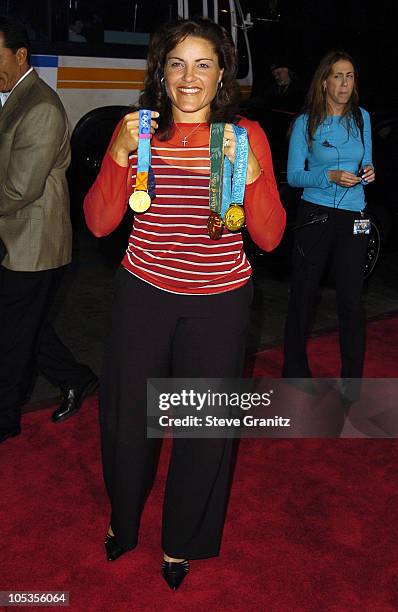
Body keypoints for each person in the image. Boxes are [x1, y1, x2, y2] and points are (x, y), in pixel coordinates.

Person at [84, 18, 286, 591]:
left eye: (203, 63)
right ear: (161, 74)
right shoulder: (140, 131)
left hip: (218, 303)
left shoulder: (243, 136)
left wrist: (252, 178)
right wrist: (120, 155)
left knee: (202, 427)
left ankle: (184, 541)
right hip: (142, 295)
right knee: (128, 422)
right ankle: (123, 522)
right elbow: (99, 224)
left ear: (223, 73)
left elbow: (269, 238)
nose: (189, 76)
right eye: (177, 63)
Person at [0, 16, 98, 444]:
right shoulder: (10, 97)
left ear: (20, 55)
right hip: (13, 237)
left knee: (13, 337)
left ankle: (5, 417)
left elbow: (19, 187)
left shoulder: (39, 106)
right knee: (27, 326)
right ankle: (77, 378)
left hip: (32, 243)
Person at [283, 50, 375, 388]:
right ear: (324, 82)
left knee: (351, 298)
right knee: (304, 294)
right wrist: (328, 177)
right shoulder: (306, 122)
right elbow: (294, 176)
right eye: (337, 75)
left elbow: (365, 164)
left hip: (354, 215)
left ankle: (352, 379)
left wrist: (367, 173)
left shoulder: (362, 118)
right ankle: (294, 371)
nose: (344, 83)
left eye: (349, 76)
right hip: (316, 214)